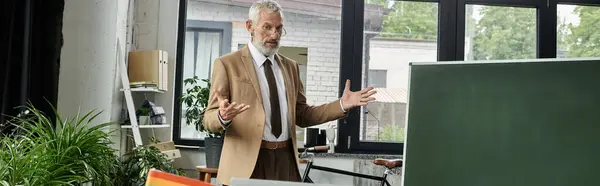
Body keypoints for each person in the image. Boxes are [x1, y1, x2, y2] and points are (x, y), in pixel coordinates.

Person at [203, 0, 377, 185]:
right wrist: (222, 116)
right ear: (250, 26)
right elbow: (208, 119)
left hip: (286, 160)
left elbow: (303, 115)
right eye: (267, 27)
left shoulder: (290, 67)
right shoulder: (227, 64)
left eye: (279, 28)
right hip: (247, 164)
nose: (274, 34)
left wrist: (341, 104)